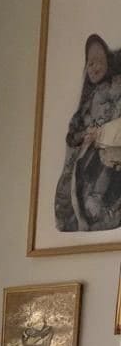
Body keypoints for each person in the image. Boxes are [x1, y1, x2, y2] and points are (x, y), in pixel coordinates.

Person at [54, 33, 121, 231]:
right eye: (90, 63)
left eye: (99, 61)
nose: (94, 67)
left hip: (107, 162)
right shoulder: (86, 101)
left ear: (109, 62)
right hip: (82, 162)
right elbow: (72, 132)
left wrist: (102, 132)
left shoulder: (117, 88)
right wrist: (84, 135)